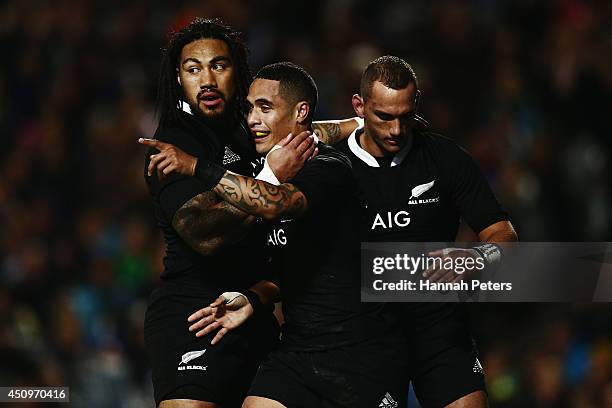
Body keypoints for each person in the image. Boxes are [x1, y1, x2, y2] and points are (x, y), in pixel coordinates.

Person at [141, 61, 408, 408]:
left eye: (264, 108)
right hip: (296, 351)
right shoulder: (260, 163)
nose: (252, 119)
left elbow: (274, 204)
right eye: (249, 108)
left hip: (357, 351)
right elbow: (286, 268)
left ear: (300, 112)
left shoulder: (328, 168)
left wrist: (196, 166)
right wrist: (253, 300)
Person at [142, 18, 318, 408]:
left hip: (254, 310)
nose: (206, 79)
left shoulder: (252, 127)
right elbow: (203, 233)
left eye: (218, 65)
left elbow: (307, 128)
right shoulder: (171, 146)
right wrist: (271, 175)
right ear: (178, 78)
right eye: (193, 69)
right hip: (194, 315)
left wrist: (363, 124)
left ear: (237, 71)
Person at [334, 55, 518, 408]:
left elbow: (505, 237)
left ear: (416, 105)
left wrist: (475, 257)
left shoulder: (446, 159)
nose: (396, 130)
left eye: (404, 116)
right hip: (364, 333)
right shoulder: (331, 165)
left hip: (439, 329)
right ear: (358, 106)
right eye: (384, 116)